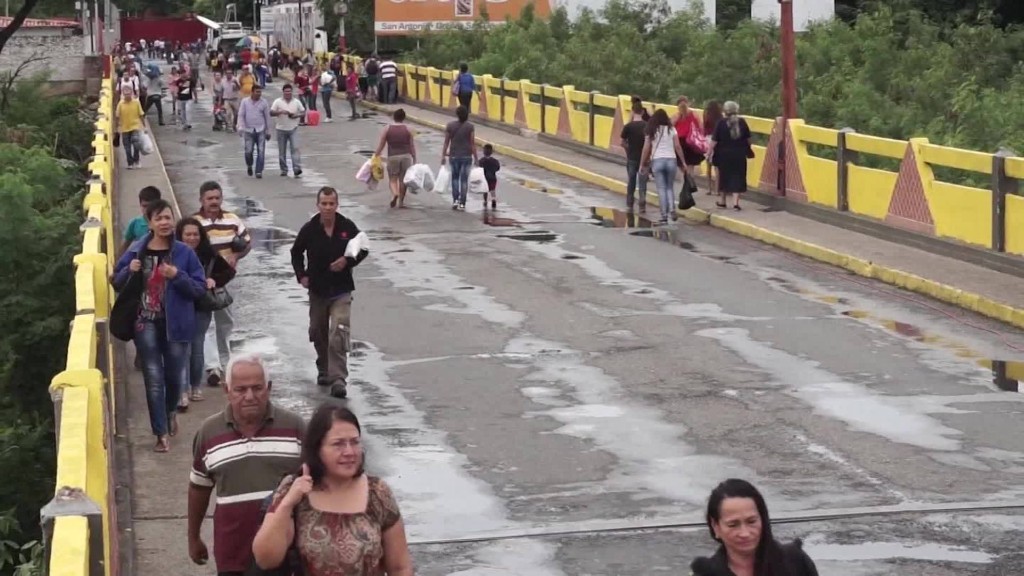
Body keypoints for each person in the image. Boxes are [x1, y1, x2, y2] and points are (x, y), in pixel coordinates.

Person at [252, 405, 413, 576]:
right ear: (317, 449)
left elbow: (400, 567)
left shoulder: (378, 492)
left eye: (355, 442)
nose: (349, 452)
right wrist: (287, 504)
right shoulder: (295, 490)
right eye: (338, 444)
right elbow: (265, 559)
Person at [188, 353, 306, 576]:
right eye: (240, 390)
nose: (250, 396)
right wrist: (193, 538)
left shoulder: (295, 428)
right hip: (233, 556)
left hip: (285, 557)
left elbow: (318, 485)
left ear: (269, 387)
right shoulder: (208, 433)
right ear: (227, 390)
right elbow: (199, 488)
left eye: (257, 388)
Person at [112, 199, 206, 453]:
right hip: (145, 321)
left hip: (177, 324)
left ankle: (170, 411)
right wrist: (128, 271)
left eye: (168, 217)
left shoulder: (184, 253)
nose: (165, 222)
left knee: (174, 377)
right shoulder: (136, 250)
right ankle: (160, 432)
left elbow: (198, 289)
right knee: (153, 377)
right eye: (159, 219)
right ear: (150, 223)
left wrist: (177, 276)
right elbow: (116, 282)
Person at [289, 187, 370, 399]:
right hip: (318, 290)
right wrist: (301, 275)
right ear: (318, 205)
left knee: (339, 331)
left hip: (341, 289)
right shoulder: (309, 229)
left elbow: (364, 247)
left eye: (331, 203)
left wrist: (347, 261)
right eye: (323, 204)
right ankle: (324, 366)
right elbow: (296, 252)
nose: (327, 207)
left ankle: (338, 379)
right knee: (318, 330)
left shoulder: (346, 226)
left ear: (337, 205)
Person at [691, 479, 819, 576]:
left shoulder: (795, 561)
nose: (745, 533)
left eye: (751, 521)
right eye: (733, 525)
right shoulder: (705, 573)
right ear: (715, 526)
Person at [195, 181, 252, 388]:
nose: (214, 202)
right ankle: (213, 367)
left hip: (226, 278)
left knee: (225, 322)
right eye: (210, 198)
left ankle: (225, 361)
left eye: (217, 198)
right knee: (207, 323)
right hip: (202, 280)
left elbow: (247, 241)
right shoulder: (194, 222)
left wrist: (236, 256)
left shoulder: (232, 220)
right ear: (201, 199)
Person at [175, 217, 235, 410]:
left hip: (201, 305)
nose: (192, 238)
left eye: (195, 234)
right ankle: (182, 390)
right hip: (180, 305)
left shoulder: (208, 254)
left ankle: (195, 387)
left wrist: (213, 280)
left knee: (197, 346)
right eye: (188, 234)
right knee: (183, 348)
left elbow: (228, 272)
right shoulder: (173, 254)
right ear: (180, 236)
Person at [640, 108, 686, 225]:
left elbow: (646, 148)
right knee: (670, 187)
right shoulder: (672, 129)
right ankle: (672, 209)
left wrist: (642, 163)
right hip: (671, 160)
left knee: (661, 188)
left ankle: (664, 216)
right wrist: (683, 162)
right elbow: (678, 146)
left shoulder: (651, 130)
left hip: (657, 161)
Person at [711, 101, 753, 211]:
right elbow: (749, 140)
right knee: (738, 176)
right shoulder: (742, 122)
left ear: (725, 111)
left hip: (723, 155)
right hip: (739, 154)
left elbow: (714, 141)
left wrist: (709, 152)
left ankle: (723, 201)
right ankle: (735, 203)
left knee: (724, 177)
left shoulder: (721, 123)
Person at [373, 108, 416, 209]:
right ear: (404, 118)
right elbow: (412, 145)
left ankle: (395, 193)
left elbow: (382, 143)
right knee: (403, 180)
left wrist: (376, 154)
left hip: (393, 157)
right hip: (406, 156)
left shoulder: (387, 128)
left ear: (394, 117)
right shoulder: (409, 129)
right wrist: (414, 157)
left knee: (393, 179)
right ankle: (401, 202)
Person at [441, 105, 477, 211]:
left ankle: (455, 200)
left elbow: (446, 142)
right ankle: (463, 203)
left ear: (457, 114)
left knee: (455, 178)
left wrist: (443, 155)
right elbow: (472, 143)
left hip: (454, 156)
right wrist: (476, 157)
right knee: (464, 180)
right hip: (466, 156)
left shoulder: (450, 125)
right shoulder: (470, 127)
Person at [620, 96, 650, 213]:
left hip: (632, 157)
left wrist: (628, 150)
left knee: (631, 181)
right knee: (642, 182)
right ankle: (642, 203)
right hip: (644, 159)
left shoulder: (628, 127)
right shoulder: (647, 126)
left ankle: (630, 203)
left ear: (632, 111)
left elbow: (622, 143)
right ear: (642, 112)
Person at [271, 84, 307, 178]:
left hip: (293, 128)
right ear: (283, 92)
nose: (288, 93)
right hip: (281, 129)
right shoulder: (278, 102)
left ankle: (296, 169)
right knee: (282, 151)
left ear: (292, 92)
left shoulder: (296, 102)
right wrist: (280, 112)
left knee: (295, 148)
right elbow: (271, 112)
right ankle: (284, 169)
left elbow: (303, 112)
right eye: (286, 91)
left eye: (289, 91)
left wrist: (296, 115)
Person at [237, 84, 272, 178]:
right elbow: (241, 115)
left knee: (261, 151)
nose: (259, 94)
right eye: (257, 92)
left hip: (261, 130)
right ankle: (249, 165)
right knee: (248, 151)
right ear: (252, 92)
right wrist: (240, 127)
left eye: (260, 92)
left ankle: (258, 171)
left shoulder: (264, 102)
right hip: (248, 130)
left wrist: (268, 131)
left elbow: (267, 117)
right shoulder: (245, 102)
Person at [673, 95, 706, 183]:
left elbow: (670, 128)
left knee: (681, 165)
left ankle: (685, 182)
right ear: (687, 103)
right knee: (691, 165)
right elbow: (701, 127)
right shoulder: (694, 114)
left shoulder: (676, 116)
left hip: (680, 142)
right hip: (691, 142)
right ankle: (691, 184)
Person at [121, 186, 162, 255]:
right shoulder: (135, 224)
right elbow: (126, 244)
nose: (148, 209)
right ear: (140, 205)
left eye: (151, 206)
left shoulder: (164, 224)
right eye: (144, 206)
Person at [115, 84, 146, 169]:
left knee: (136, 144)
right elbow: (117, 116)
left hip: (135, 126)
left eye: (129, 93)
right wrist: (117, 127)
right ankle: (130, 163)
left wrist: (144, 126)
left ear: (132, 93)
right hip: (124, 128)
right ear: (123, 94)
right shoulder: (121, 104)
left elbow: (141, 115)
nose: (127, 95)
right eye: (125, 94)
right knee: (127, 148)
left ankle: (137, 160)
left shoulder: (136, 102)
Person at [703, 100, 724, 198]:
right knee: (717, 167)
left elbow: (703, 128)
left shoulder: (706, 114)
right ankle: (717, 190)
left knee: (708, 165)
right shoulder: (720, 117)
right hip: (717, 140)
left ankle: (709, 189)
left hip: (708, 139)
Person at [478, 143, 500, 211]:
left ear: (484, 152)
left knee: (485, 190)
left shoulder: (481, 160)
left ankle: (485, 201)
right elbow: (498, 168)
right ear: (491, 152)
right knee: (492, 190)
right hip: (493, 178)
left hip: (484, 178)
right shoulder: (495, 161)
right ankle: (493, 199)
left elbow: (479, 167)